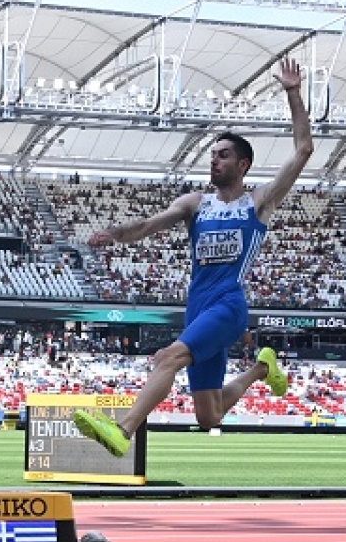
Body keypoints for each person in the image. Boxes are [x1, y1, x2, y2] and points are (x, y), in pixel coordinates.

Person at [73, 57, 313, 457]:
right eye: (212, 154)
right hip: (197, 308)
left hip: (227, 305)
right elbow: (149, 224)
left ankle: (122, 431)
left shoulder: (259, 202)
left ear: (243, 164)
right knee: (209, 415)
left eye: (223, 154)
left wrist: (293, 93)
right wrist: (115, 234)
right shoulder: (195, 203)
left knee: (167, 358)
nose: (213, 159)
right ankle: (262, 368)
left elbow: (304, 149)